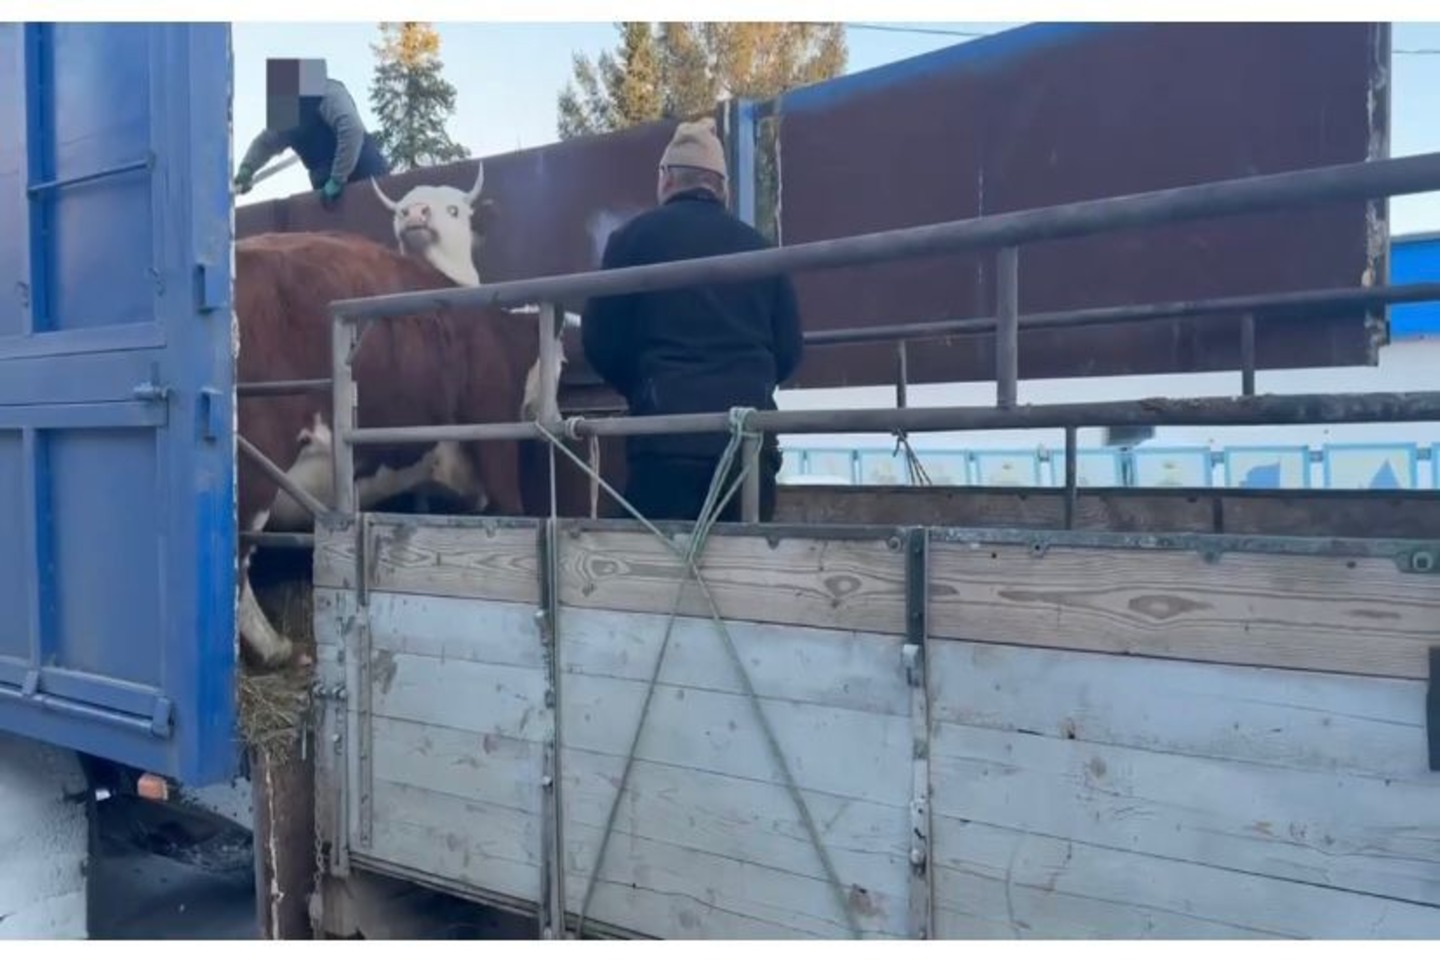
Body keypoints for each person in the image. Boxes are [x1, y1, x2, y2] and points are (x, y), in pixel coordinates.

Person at [581, 117, 804, 524]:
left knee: (661, 577)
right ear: (723, 189)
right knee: (744, 576)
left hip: (665, 441)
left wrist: (644, 386)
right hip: (750, 444)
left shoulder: (631, 241)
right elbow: (789, 350)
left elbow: (599, 342)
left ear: (665, 180)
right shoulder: (760, 249)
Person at [233, 59, 390, 205]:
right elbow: (266, 143)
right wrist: (247, 168)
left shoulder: (328, 92)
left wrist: (338, 178)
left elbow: (351, 129)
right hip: (325, 185)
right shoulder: (288, 108)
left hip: (365, 174)